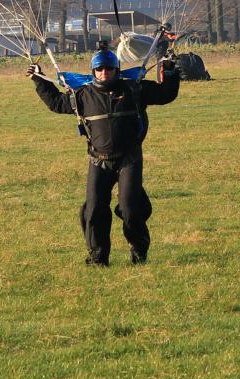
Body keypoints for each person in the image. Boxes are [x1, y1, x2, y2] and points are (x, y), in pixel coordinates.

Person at [27, 47, 179, 266]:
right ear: (93, 71)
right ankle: (98, 257)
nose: (104, 73)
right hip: (99, 160)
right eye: (99, 69)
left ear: (116, 70)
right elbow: (57, 103)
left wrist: (170, 70)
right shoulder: (83, 95)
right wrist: (39, 78)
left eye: (109, 69)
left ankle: (139, 250)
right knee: (94, 209)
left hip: (129, 159)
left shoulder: (134, 89)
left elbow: (165, 94)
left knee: (130, 208)